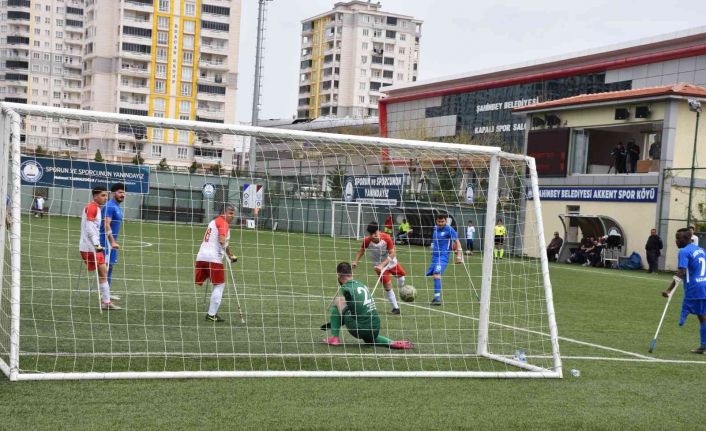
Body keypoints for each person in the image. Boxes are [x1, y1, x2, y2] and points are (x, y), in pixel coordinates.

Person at [322, 262, 413, 349]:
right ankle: (391, 342)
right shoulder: (361, 285)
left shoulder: (346, 288)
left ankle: (334, 338)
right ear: (351, 273)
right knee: (369, 339)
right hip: (375, 327)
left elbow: (347, 297)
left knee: (338, 301)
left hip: (359, 329)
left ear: (338, 275)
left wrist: (336, 322)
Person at [661, 228, 706, 355]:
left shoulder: (684, 251)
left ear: (686, 239)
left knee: (703, 317)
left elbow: (681, 272)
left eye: (678, 238)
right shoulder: (701, 250)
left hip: (696, 287)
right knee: (702, 316)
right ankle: (704, 345)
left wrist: (669, 290)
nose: (676, 241)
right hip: (704, 284)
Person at [194, 203, 238, 322]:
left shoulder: (213, 222)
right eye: (230, 213)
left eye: (233, 214)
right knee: (219, 284)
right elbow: (222, 240)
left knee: (215, 283)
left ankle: (211, 313)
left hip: (201, 257)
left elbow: (223, 242)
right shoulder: (223, 222)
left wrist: (230, 255)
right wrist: (224, 250)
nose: (232, 216)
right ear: (223, 213)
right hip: (213, 259)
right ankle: (211, 314)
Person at [79, 186, 120, 310]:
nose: (105, 198)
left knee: (103, 273)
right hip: (91, 248)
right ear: (95, 196)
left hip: (89, 247)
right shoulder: (92, 208)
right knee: (103, 273)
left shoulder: (95, 208)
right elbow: (90, 229)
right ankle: (106, 303)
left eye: (106, 195)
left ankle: (106, 301)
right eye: (103, 195)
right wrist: (98, 246)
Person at [352, 222, 405, 315]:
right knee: (387, 286)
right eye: (371, 234)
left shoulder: (386, 238)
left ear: (378, 231)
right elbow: (361, 250)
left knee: (401, 278)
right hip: (378, 266)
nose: (373, 236)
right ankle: (395, 308)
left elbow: (392, 253)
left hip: (391, 262)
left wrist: (383, 264)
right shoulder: (367, 240)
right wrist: (355, 261)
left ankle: (402, 289)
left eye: (375, 233)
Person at [426, 213, 463, 305]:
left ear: (446, 221)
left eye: (442, 221)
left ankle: (437, 299)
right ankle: (436, 298)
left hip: (443, 256)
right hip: (435, 256)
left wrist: (459, 255)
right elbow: (435, 241)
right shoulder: (435, 228)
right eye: (439, 221)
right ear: (436, 221)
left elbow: (457, 242)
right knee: (433, 275)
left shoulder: (449, 229)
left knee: (437, 274)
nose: (441, 223)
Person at [100, 183, 125, 297]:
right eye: (120, 192)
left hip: (110, 242)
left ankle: (106, 292)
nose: (123, 195)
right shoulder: (110, 206)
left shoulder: (117, 206)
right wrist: (112, 241)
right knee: (105, 267)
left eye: (124, 192)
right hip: (105, 242)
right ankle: (104, 295)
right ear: (113, 193)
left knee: (109, 267)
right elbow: (106, 224)